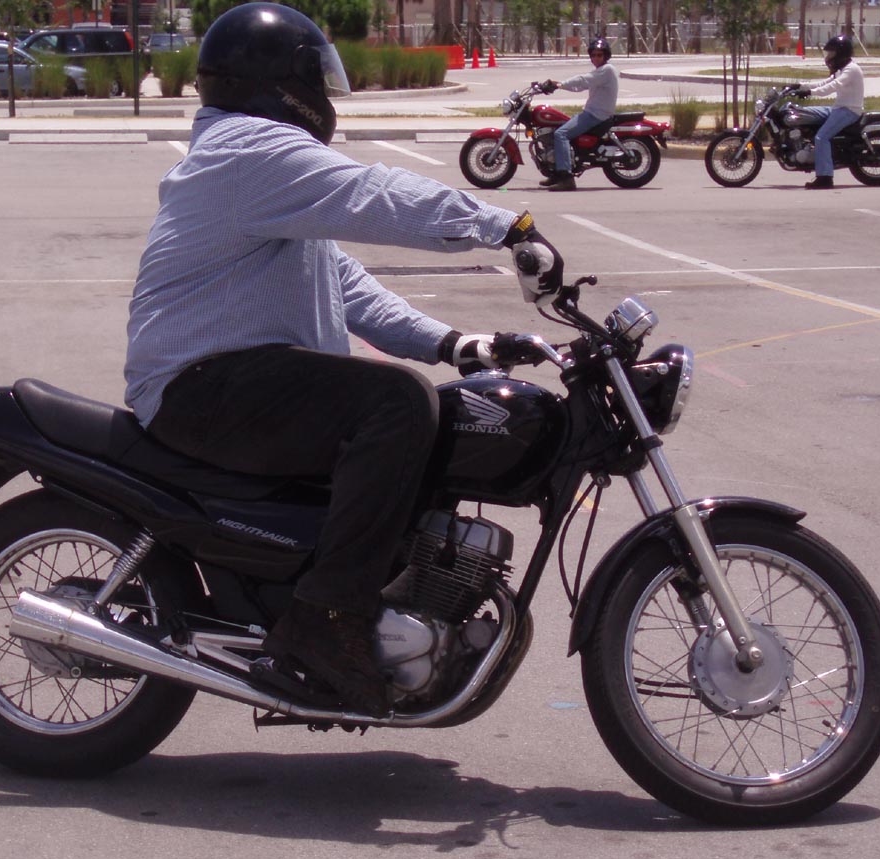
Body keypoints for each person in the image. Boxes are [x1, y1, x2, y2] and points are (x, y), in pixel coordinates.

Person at [125, 3, 563, 717]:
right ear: (281, 83)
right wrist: (504, 227)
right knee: (396, 403)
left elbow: (343, 283)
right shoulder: (251, 151)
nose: (325, 99)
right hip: (201, 388)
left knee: (427, 411)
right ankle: (327, 619)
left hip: (226, 382)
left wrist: (453, 343)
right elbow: (373, 194)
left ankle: (381, 598)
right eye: (316, 81)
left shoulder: (255, 164)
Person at [540, 37, 619, 191]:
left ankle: (566, 178)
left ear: (606, 55)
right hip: (593, 113)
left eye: (599, 55)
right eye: (593, 55)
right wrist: (559, 86)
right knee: (557, 128)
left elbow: (583, 80)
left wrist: (559, 84)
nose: (596, 58)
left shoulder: (607, 70)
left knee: (561, 134)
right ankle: (556, 173)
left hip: (596, 115)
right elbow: (580, 86)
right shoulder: (601, 71)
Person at [794, 34, 864, 190]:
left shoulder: (851, 70)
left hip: (849, 110)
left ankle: (825, 178)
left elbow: (832, 87)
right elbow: (824, 83)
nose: (829, 57)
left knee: (822, 137)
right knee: (805, 113)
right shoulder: (842, 69)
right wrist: (800, 86)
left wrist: (810, 93)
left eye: (832, 53)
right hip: (838, 108)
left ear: (841, 53)